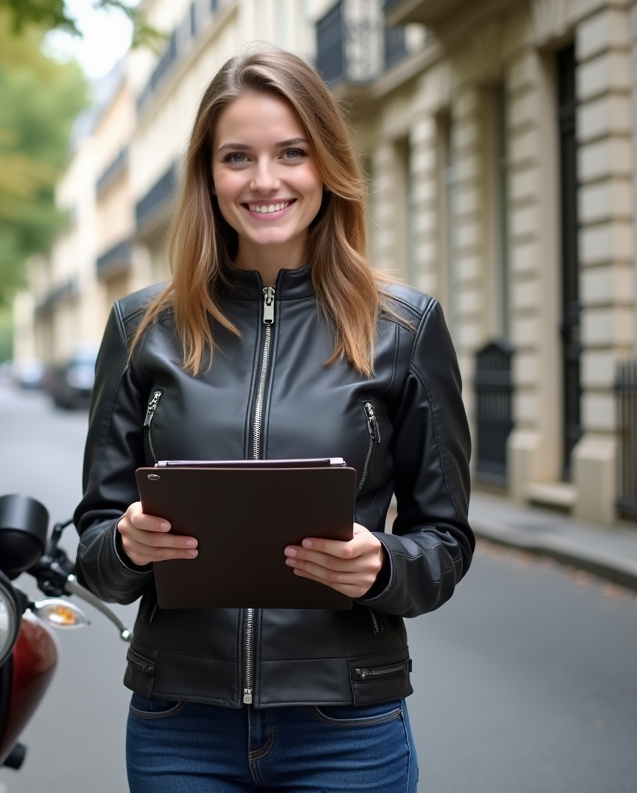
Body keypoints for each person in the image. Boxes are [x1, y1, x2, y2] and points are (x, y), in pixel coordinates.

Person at [72, 45, 472, 793]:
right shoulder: (141, 326)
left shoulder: (404, 328)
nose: (264, 181)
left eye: (291, 152)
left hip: (346, 723)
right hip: (179, 725)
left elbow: (445, 544)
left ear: (326, 163)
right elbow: (91, 546)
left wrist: (383, 564)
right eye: (237, 157)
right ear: (208, 177)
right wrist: (125, 544)